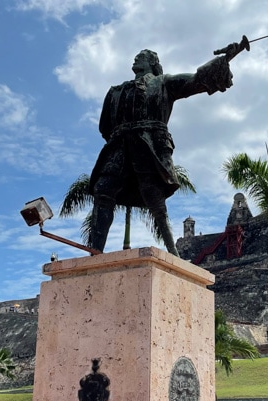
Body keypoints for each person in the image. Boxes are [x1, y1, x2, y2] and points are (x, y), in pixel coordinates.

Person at [89, 43, 242, 256]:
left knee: (154, 198)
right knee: (103, 190)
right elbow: (105, 126)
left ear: (152, 63)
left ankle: (172, 250)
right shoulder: (115, 92)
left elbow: (195, 80)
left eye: (141, 56)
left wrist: (224, 60)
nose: (136, 59)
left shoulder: (164, 83)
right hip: (119, 146)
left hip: (149, 144)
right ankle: (95, 251)